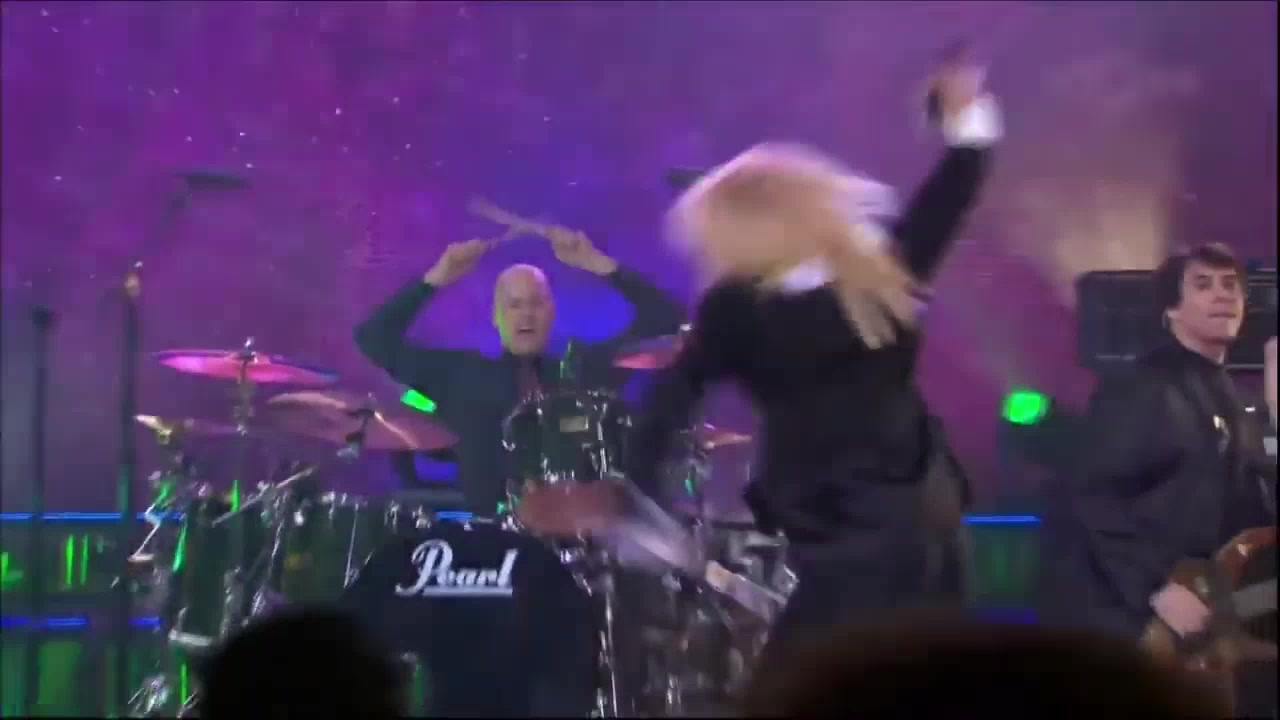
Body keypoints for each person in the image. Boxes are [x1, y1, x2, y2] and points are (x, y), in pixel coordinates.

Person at [625, 57, 1000, 666]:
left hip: (844, 525)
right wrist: (965, 116)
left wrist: (642, 501)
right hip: (920, 512)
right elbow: (957, 183)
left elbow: (670, 400)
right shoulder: (880, 270)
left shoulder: (739, 307)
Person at [1041, 243, 1276, 716]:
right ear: (1171, 309)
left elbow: (1258, 510)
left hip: (1207, 618)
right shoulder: (1144, 385)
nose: (1223, 295)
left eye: (1231, 286)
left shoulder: (1229, 398)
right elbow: (1091, 494)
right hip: (1140, 619)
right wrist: (1158, 589)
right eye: (1204, 285)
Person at [354, 225, 685, 514]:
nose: (526, 314)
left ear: (552, 312)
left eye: (536, 303)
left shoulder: (584, 368)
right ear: (495, 317)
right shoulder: (460, 374)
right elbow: (373, 339)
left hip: (576, 543)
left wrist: (596, 263)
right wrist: (437, 277)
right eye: (514, 305)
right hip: (489, 541)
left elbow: (667, 320)